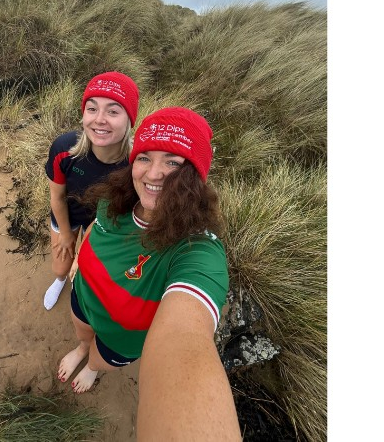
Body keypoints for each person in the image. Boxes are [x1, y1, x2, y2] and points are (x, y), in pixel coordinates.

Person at [57, 107, 238, 439]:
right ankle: (82, 348)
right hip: (83, 297)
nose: (154, 174)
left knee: (99, 356)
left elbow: (185, 338)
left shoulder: (196, 251)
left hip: (120, 338)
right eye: (144, 158)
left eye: (173, 162)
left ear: (195, 175)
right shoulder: (115, 201)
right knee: (83, 334)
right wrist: (79, 262)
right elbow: (95, 230)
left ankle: (92, 367)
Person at [42, 71, 140, 310]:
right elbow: (57, 197)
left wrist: (82, 252)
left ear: (129, 119)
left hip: (103, 223)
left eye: (113, 111)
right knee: (61, 268)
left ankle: (79, 286)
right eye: (92, 108)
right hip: (68, 214)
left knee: (85, 270)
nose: (99, 119)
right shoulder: (65, 149)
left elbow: (120, 214)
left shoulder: (136, 164)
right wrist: (66, 234)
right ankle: (60, 280)